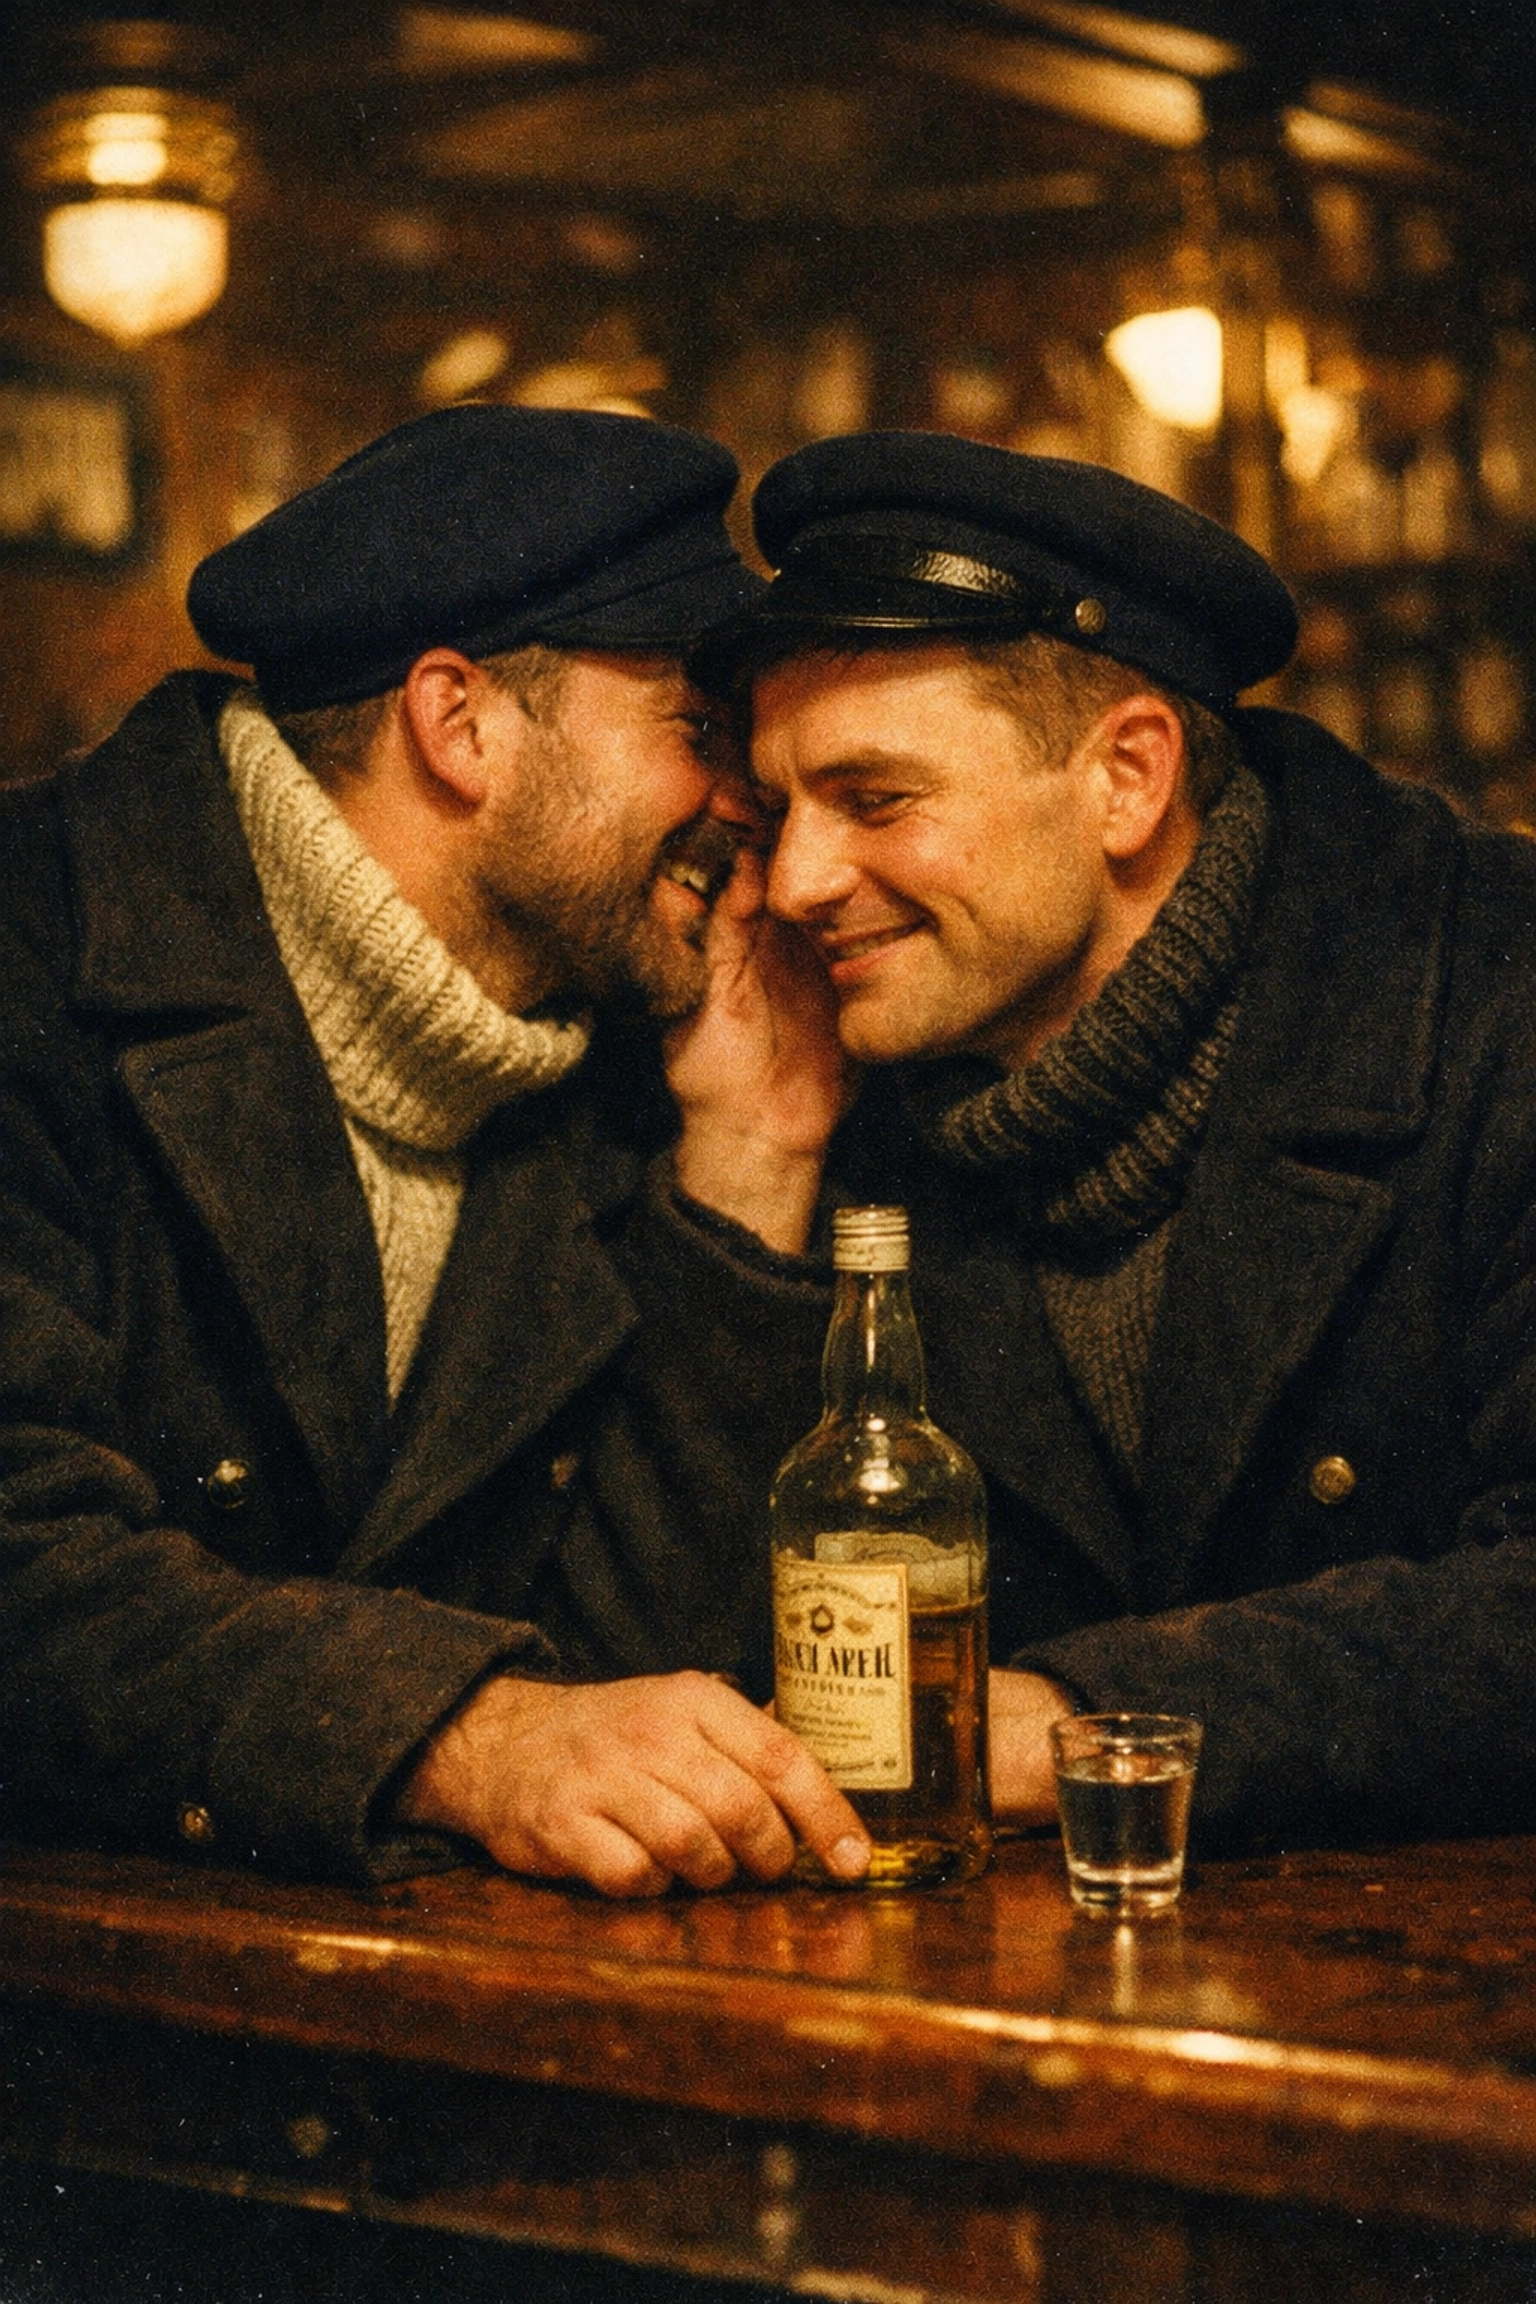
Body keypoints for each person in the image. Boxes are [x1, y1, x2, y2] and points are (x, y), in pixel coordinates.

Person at [0, 404, 873, 1899]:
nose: (754, 807)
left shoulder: (616, 1050)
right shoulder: (38, 952)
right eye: (697, 730)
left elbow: (634, 1699)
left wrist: (751, 1150)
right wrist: (456, 1738)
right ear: (458, 723)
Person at [674, 427, 1536, 1854]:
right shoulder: (839, 1091)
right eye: (778, 811)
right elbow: (711, 1679)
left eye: (874, 798)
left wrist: (1073, 1717)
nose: (801, 882)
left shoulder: (1490, 999)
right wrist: (753, 1162)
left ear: (1128, 777)